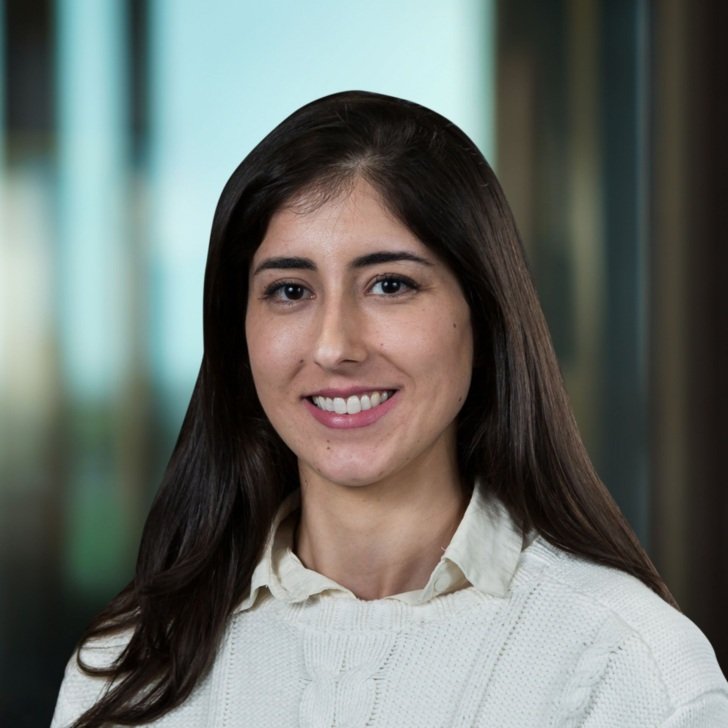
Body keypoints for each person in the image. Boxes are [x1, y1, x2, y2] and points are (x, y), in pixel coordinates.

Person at [52, 90, 727, 727]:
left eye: (391, 284)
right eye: (289, 290)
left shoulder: (627, 667)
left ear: (483, 313)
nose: (334, 345)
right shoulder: (130, 667)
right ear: (239, 332)